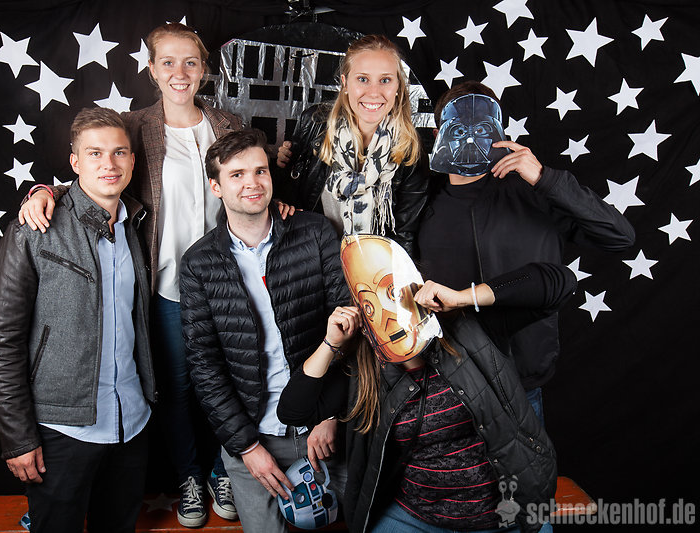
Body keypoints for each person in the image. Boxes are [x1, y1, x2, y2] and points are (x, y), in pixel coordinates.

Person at [17, 22, 272, 526]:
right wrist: (46, 191)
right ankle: (189, 476)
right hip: (166, 285)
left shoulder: (228, 122)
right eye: (168, 62)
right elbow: (99, 174)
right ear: (152, 69)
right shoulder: (136, 126)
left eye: (191, 62)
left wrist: (278, 200)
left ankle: (223, 470)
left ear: (204, 69)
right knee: (176, 388)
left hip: (229, 282)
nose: (180, 72)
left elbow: (251, 178)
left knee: (229, 381)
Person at [277, 233, 579, 533]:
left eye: (392, 292)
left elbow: (560, 283)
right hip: (417, 517)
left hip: (503, 516)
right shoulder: (364, 373)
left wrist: (464, 297)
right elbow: (293, 411)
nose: (387, 315)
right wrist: (331, 343)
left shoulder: (471, 330)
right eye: (369, 305)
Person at [418, 80, 636, 423]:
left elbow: (620, 237)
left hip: (520, 383)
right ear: (438, 134)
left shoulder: (535, 193)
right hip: (443, 384)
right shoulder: (418, 202)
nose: (472, 139)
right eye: (458, 130)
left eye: (483, 129)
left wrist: (545, 179)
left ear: (500, 131)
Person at [0, 107, 155, 533]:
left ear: (133, 160)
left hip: (131, 422)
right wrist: (18, 438)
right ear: (75, 162)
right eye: (95, 153)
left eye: (119, 152)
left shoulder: (136, 223)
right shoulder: (33, 229)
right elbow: (0, 342)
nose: (109, 164)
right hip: (61, 429)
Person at [179, 128, 350, 533]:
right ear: (216, 187)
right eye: (237, 175)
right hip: (254, 437)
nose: (252, 183)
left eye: (260, 171)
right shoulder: (198, 263)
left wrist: (332, 414)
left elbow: (349, 328)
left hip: (324, 427)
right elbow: (205, 368)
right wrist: (246, 447)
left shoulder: (316, 232)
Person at [275, 34, 429, 256]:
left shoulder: (409, 150)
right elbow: (286, 199)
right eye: (363, 79)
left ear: (398, 86)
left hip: (371, 268)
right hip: (311, 262)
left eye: (385, 80)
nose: (374, 92)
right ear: (345, 83)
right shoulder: (314, 123)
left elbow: (404, 237)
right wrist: (279, 168)